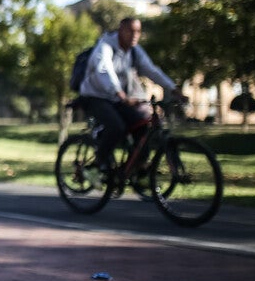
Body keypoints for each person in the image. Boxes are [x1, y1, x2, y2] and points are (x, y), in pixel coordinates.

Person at [78, 17, 181, 174]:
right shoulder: (105, 46)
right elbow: (104, 70)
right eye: (130, 31)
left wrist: (172, 88)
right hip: (95, 97)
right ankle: (101, 161)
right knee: (117, 127)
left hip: (119, 98)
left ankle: (131, 167)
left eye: (138, 31)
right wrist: (120, 93)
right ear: (120, 31)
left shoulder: (134, 51)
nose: (135, 35)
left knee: (143, 125)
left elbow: (151, 70)